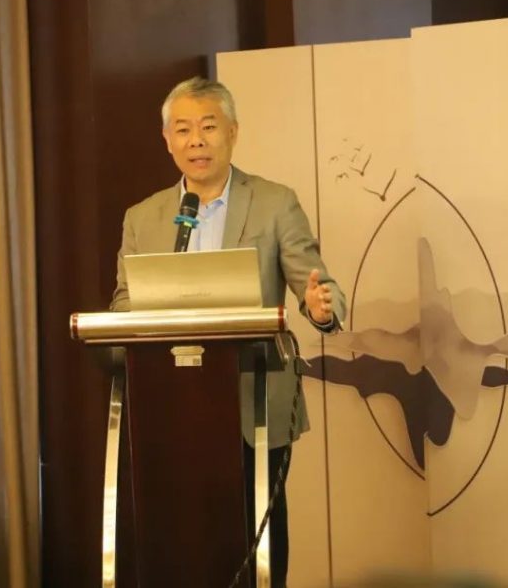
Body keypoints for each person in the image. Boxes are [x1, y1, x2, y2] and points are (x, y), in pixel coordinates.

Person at [110, 76, 346, 585]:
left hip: (252, 401)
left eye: (208, 127)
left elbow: (317, 283)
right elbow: (124, 301)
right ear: (167, 140)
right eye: (183, 129)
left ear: (233, 132)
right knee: (179, 546)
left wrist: (320, 307)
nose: (196, 141)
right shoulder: (143, 217)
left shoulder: (274, 203)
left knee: (259, 549)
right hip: (169, 407)